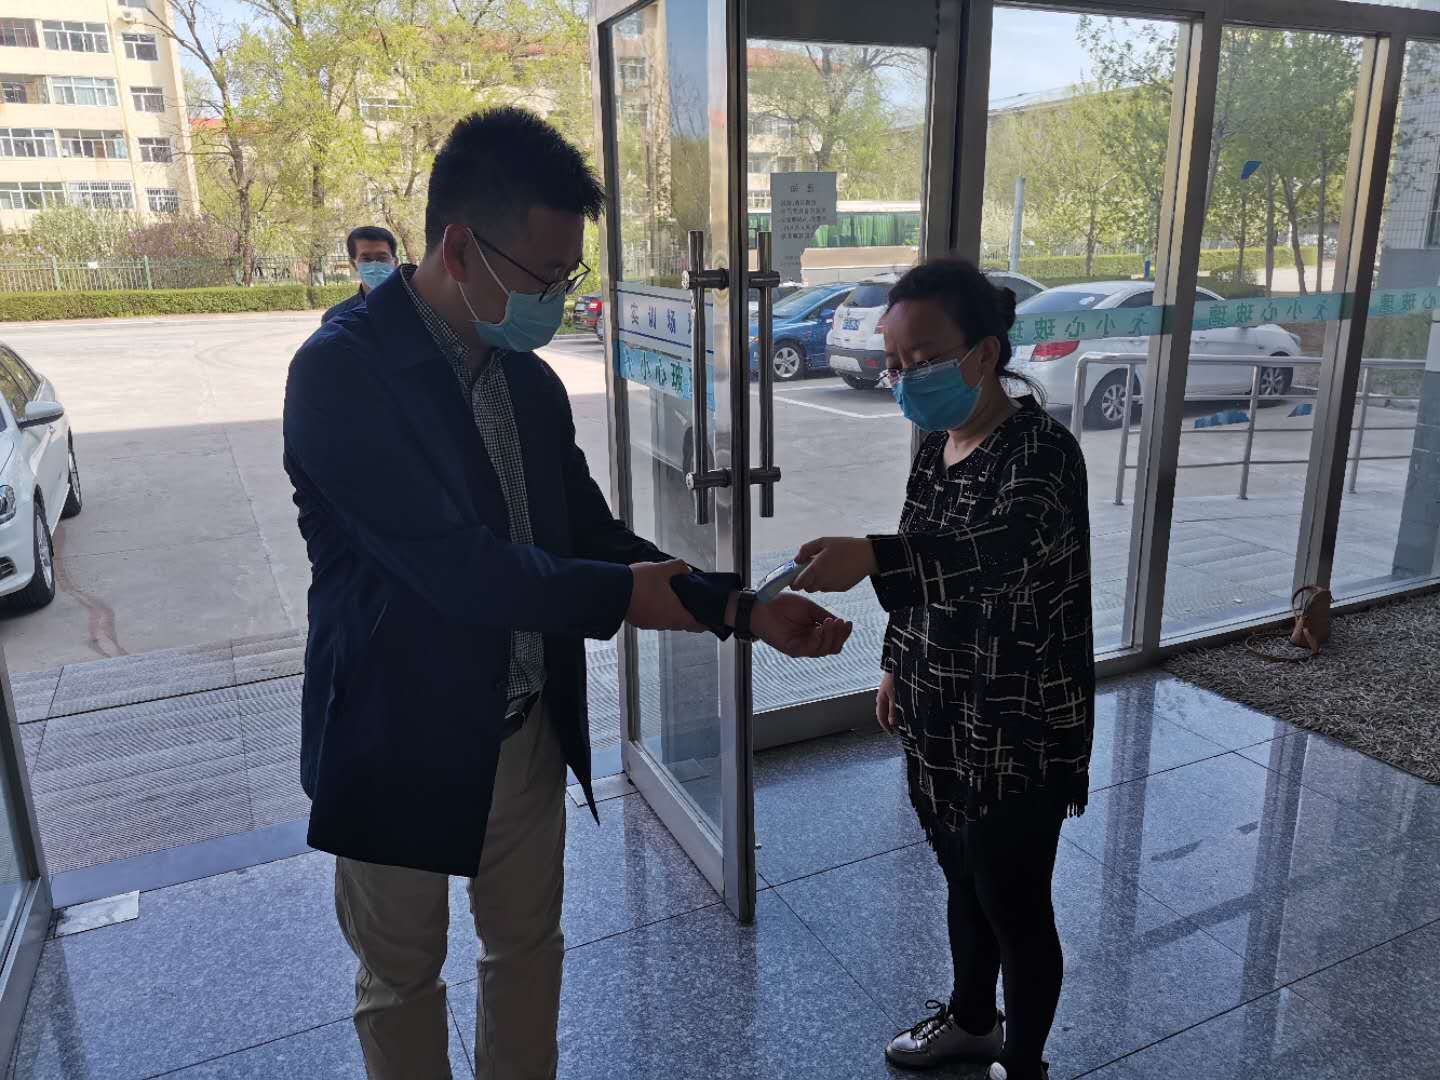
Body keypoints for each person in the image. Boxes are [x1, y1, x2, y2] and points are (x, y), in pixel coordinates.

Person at [283, 106, 852, 1080]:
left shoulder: (525, 381)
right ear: (460, 249)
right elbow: (459, 571)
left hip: (524, 729)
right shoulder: (342, 377)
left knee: (527, 951)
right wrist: (626, 596)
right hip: (394, 734)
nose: (556, 299)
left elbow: (588, 538)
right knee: (402, 978)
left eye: (567, 276)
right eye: (545, 276)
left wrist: (740, 609)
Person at [790, 258, 1094, 1080]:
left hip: (1016, 723)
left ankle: (1022, 1065)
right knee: (963, 877)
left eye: (922, 358)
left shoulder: (1042, 453)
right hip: (938, 708)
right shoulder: (936, 447)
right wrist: (895, 664)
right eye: (895, 362)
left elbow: (996, 554)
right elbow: (923, 565)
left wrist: (872, 555)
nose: (903, 377)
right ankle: (971, 1021)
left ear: (984, 353)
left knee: (1015, 903)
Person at [322, 225, 399, 323]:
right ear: (353, 264)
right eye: (366, 259)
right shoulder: (336, 318)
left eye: (382, 258)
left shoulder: (413, 307)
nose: (374, 264)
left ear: (395, 262)